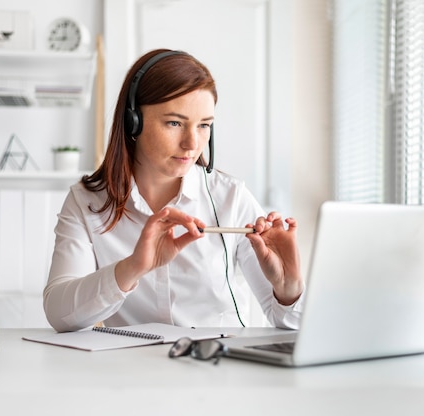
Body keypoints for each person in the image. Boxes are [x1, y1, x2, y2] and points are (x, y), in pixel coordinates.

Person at [43, 49, 304, 332]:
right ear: (134, 121)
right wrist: (132, 267)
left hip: (218, 367)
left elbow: (289, 323)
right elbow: (59, 316)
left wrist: (287, 288)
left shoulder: (231, 197)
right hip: (132, 370)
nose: (192, 143)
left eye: (204, 125)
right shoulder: (86, 201)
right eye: (175, 123)